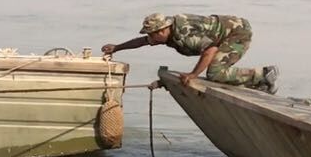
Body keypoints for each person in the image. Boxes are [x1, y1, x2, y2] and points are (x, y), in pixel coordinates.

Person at [102, 13, 279, 93]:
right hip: (225, 34)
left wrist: (193, 75)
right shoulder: (167, 33)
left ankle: (264, 74)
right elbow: (141, 42)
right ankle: (260, 85)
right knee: (216, 72)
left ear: (163, 30)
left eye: (154, 34)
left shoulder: (185, 35)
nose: (151, 39)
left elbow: (210, 50)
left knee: (215, 72)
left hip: (236, 33)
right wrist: (117, 48)